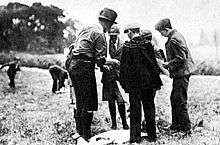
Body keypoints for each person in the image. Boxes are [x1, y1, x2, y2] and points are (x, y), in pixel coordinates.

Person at [66, 8, 118, 141]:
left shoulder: (86, 28)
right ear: (108, 22)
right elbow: (100, 58)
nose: (110, 28)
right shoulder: (99, 34)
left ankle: (79, 132)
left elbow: (77, 47)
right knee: (89, 101)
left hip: (73, 65)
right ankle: (85, 135)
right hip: (84, 67)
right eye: (111, 24)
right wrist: (112, 63)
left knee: (80, 100)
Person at [120, 24, 163, 143]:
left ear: (130, 32)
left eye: (127, 32)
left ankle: (135, 138)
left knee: (135, 110)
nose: (127, 34)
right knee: (149, 108)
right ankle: (152, 136)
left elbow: (123, 68)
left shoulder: (127, 46)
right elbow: (153, 64)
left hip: (134, 85)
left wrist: (124, 83)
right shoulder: (147, 45)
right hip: (148, 83)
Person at [155, 18, 195, 135]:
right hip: (181, 73)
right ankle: (176, 126)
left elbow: (181, 58)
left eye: (161, 32)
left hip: (182, 73)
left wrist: (168, 64)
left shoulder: (174, 39)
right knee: (174, 99)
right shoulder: (176, 35)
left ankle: (186, 128)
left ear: (166, 29)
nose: (161, 35)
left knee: (180, 100)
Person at [102, 25, 129, 130]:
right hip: (108, 76)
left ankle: (124, 123)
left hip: (120, 76)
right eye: (111, 35)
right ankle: (113, 123)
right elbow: (101, 59)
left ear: (118, 35)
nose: (113, 37)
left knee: (121, 100)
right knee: (111, 100)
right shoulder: (105, 44)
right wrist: (105, 65)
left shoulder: (124, 45)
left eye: (115, 35)